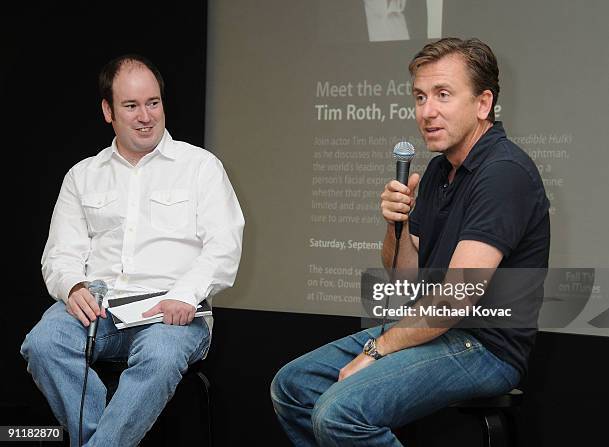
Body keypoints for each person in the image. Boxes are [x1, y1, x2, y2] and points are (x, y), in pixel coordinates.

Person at [271, 37, 549, 446]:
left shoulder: (503, 173)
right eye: (420, 97)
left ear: (483, 103)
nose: (427, 112)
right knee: (293, 387)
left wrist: (377, 350)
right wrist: (394, 224)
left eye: (442, 95)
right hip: (435, 329)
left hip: (484, 345)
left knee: (340, 413)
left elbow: (456, 298)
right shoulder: (439, 170)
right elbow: (403, 279)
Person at [21, 54, 244, 446]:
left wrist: (185, 294)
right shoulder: (82, 175)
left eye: (153, 103)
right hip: (100, 310)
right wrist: (73, 287)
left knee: (160, 355)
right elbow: (59, 254)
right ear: (108, 111)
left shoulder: (200, 166)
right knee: (43, 343)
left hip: (170, 314)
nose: (146, 116)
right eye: (131, 105)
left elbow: (224, 245)